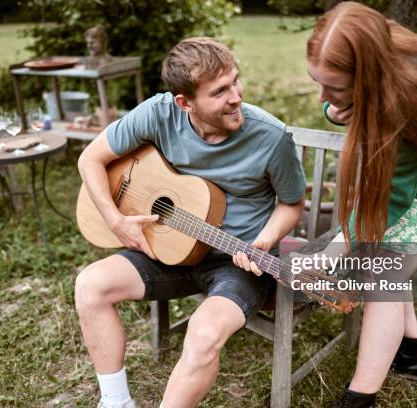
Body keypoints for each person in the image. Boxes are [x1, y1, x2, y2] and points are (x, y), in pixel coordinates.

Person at [75, 37, 306, 408]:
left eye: (235, 81)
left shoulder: (271, 137)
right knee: (90, 285)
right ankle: (115, 401)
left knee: (202, 335)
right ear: (184, 103)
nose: (236, 96)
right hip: (166, 250)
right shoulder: (158, 113)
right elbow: (91, 159)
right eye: (219, 91)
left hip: (238, 262)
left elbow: (293, 204)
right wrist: (116, 220)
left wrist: (263, 240)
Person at [302, 2, 417, 407]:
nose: (321, 97)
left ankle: (360, 396)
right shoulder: (378, 54)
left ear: (368, 75)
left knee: (381, 279)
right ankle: (414, 355)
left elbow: (387, 204)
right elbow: (341, 105)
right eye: (317, 81)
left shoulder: (409, 95)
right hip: (412, 180)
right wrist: (337, 107)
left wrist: (329, 253)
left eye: (335, 87)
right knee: (391, 266)